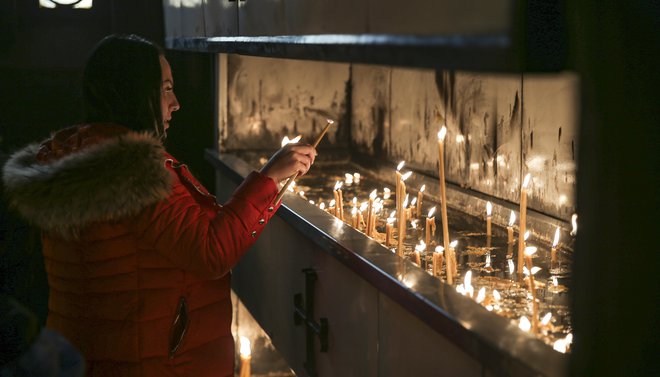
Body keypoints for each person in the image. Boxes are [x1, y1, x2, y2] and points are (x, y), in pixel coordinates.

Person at [1, 34, 316, 377]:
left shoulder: (75, 155)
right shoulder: (130, 172)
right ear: (134, 93)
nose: (176, 102)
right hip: (152, 363)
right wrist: (269, 177)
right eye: (165, 88)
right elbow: (212, 251)